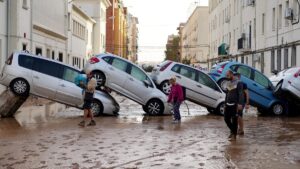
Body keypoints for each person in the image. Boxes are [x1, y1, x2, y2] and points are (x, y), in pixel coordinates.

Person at [224, 70, 244, 141]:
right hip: (228, 104)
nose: (227, 77)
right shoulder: (228, 83)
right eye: (226, 76)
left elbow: (241, 94)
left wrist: (240, 104)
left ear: (232, 74)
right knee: (226, 119)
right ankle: (233, 131)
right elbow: (227, 94)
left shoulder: (239, 82)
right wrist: (225, 103)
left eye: (228, 75)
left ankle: (234, 135)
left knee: (234, 120)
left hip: (235, 104)